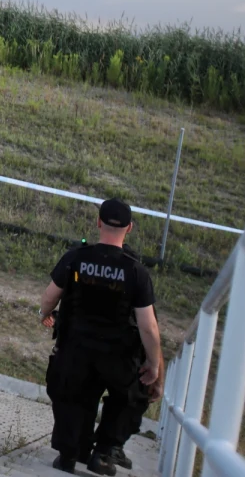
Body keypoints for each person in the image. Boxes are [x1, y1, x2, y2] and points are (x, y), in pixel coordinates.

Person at [40, 199, 162, 476]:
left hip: (75, 349)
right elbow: (148, 326)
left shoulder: (76, 257)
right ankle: (104, 453)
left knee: (69, 394)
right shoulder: (136, 272)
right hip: (118, 357)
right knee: (132, 395)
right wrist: (153, 365)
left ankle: (69, 455)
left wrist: (43, 313)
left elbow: (49, 297)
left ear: (98, 222)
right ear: (129, 228)